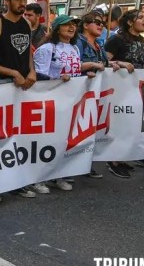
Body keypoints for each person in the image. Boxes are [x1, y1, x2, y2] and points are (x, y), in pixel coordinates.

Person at [0, 0, 38, 201]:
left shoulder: (25, 24)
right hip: (3, 86)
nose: (22, 4)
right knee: (0, 137)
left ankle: (15, 182)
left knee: (20, 136)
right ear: (8, 0)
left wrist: (31, 71)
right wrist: (13, 72)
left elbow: (27, 55)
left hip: (24, 86)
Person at [32, 14, 94, 193]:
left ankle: (58, 175)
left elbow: (74, 71)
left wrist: (85, 74)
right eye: (66, 24)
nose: (71, 27)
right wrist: (57, 78)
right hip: (51, 101)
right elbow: (38, 76)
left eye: (73, 25)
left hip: (70, 101)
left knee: (64, 140)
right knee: (47, 141)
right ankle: (39, 178)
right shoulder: (47, 49)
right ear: (57, 28)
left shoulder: (74, 48)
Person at [105, 9, 144, 171]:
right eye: (141, 18)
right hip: (120, 90)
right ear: (130, 22)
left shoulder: (143, 40)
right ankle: (114, 160)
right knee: (120, 124)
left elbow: (143, 59)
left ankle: (129, 156)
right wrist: (121, 63)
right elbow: (104, 61)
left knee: (135, 124)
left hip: (139, 90)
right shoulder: (116, 40)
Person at [75, 12, 130, 179]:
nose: (101, 26)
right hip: (80, 92)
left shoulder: (99, 44)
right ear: (85, 25)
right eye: (97, 22)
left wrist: (116, 63)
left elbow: (104, 63)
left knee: (91, 128)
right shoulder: (79, 42)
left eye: (103, 23)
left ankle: (85, 163)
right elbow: (73, 64)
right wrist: (91, 65)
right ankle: (74, 165)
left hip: (96, 93)